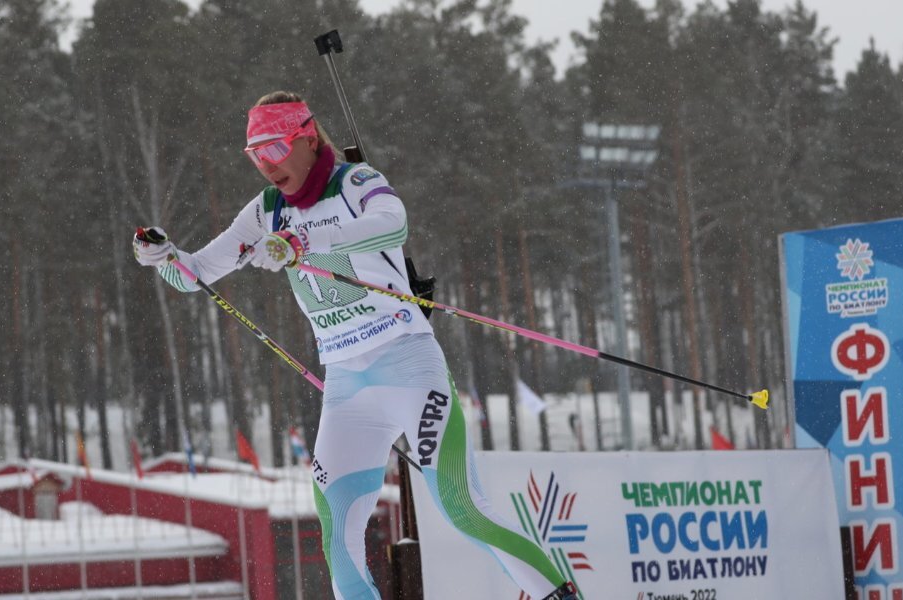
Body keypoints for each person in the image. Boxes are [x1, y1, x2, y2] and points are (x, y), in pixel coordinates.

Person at [133, 91, 578, 600]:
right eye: (255, 154)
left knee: (462, 507)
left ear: (306, 137)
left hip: (408, 364)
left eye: (274, 149)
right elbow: (198, 275)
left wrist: (304, 243)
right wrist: (163, 256)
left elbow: (393, 224)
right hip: (347, 386)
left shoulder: (355, 182)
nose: (265, 165)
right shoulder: (266, 210)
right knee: (338, 538)